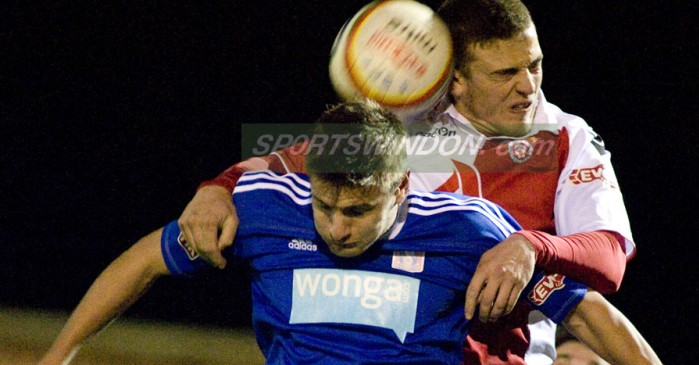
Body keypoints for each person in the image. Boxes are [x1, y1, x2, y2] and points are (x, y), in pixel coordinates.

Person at [178, 0, 636, 363]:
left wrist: (529, 246)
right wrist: (217, 187)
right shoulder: (405, 125)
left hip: (505, 357)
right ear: (455, 80)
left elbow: (611, 256)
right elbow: (287, 161)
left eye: (533, 65)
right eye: (506, 73)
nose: (528, 87)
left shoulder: (562, 137)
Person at [38, 100, 660, 365]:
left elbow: (591, 316)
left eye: (357, 213)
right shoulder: (260, 209)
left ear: (400, 189)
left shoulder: (469, 232)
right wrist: (57, 355)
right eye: (325, 206)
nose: (338, 229)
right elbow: (143, 261)